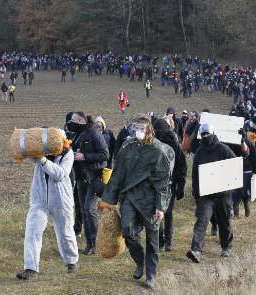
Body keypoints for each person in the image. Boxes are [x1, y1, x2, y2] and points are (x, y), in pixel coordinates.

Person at [100, 114, 175, 289]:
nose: (137, 131)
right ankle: (140, 261)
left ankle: (151, 275)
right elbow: (117, 174)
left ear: (149, 129)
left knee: (152, 239)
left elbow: (163, 183)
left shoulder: (158, 151)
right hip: (129, 197)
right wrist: (107, 200)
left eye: (141, 128)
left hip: (150, 200)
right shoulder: (127, 146)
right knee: (127, 231)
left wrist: (161, 207)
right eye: (135, 127)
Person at [16, 137, 79, 280]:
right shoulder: (41, 152)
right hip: (39, 199)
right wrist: (30, 145)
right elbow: (26, 152)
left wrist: (43, 160)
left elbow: (61, 174)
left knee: (65, 232)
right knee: (32, 231)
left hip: (61, 200)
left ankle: (72, 261)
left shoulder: (68, 154)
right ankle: (30, 268)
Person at [187, 123, 236, 263]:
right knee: (201, 221)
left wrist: (228, 186)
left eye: (207, 134)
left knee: (224, 221)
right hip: (206, 195)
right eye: (203, 135)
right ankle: (196, 250)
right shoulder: (200, 153)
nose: (206, 137)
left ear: (213, 133)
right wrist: (196, 194)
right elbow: (195, 175)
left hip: (222, 194)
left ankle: (226, 246)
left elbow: (234, 168)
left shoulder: (224, 150)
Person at [66, 113, 109, 255]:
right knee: (84, 211)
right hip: (80, 178)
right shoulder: (76, 135)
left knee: (90, 209)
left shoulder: (94, 134)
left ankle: (96, 243)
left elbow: (104, 155)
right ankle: (89, 245)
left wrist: (84, 156)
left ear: (80, 121)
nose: (70, 123)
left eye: (73, 121)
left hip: (93, 177)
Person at [153, 118, 187, 251]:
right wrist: (181, 185)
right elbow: (182, 167)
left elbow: (181, 166)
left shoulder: (167, 145)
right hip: (167, 184)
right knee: (166, 213)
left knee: (160, 212)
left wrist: (180, 185)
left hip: (164, 184)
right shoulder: (172, 144)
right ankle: (166, 242)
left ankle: (163, 242)